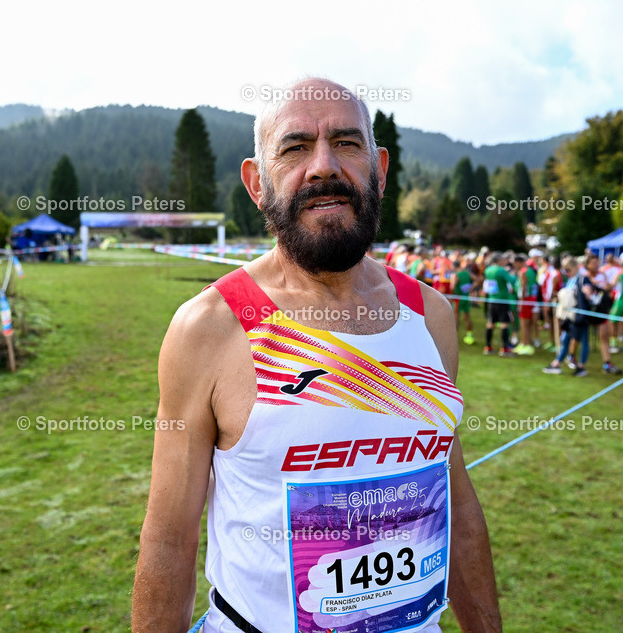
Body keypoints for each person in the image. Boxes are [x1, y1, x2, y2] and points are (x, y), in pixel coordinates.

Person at [132, 78, 500, 632]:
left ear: (379, 169)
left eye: (347, 144)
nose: (324, 165)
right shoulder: (211, 328)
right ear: (258, 183)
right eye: (296, 147)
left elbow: (455, 499)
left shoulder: (429, 315)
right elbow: (168, 539)